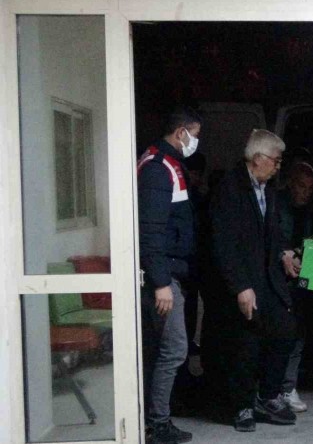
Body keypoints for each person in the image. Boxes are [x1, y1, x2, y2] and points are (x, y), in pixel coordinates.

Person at [211, 129, 299, 433]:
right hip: (244, 280)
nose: (278, 167)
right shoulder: (229, 189)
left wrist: (284, 252)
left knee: (285, 331)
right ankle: (243, 406)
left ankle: (268, 395)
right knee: (246, 346)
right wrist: (241, 287)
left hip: (267, 278)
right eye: (275, 161)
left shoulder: (267, 189)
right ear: (258, 158)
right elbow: (224, 244)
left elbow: (272, 231)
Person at [137, 107, 201, 444]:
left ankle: (154, 419)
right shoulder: (157, 168)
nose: (196, 141)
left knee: (163, 348)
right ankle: (157, 423)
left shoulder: (168, 164)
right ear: (181, 132)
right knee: (175, 348)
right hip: (164, 276)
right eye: (195, 134)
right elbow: (151, 231)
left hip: (171, 270)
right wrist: (162, 282)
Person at [277, 161, 313, 413]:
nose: (306, 192)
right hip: (277, 279)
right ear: (291, 184)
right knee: (279, 335)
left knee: (297, 335)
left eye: (310, 188)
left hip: (300, 279)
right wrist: (284, 254)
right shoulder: (276, 205)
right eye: (302, 186)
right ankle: (272, 388)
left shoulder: (308, 211)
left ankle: (288, 387)